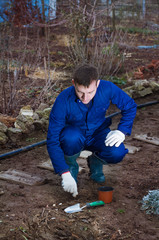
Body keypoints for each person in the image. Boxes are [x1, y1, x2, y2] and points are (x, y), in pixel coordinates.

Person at [47, 64, 137, 197]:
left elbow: (130, 106)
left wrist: (121, 131)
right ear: (73, 83)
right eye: (80, 92)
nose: (85, 98)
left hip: (98, 134)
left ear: (97, 84)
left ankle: (96, 161)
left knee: (117, 152)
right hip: (74, 136)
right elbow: (52, 139)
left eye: (90, 92)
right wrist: (63, 172)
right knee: (70, 137)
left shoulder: (107, 88)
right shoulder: (63, 100)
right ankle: (71, 167)